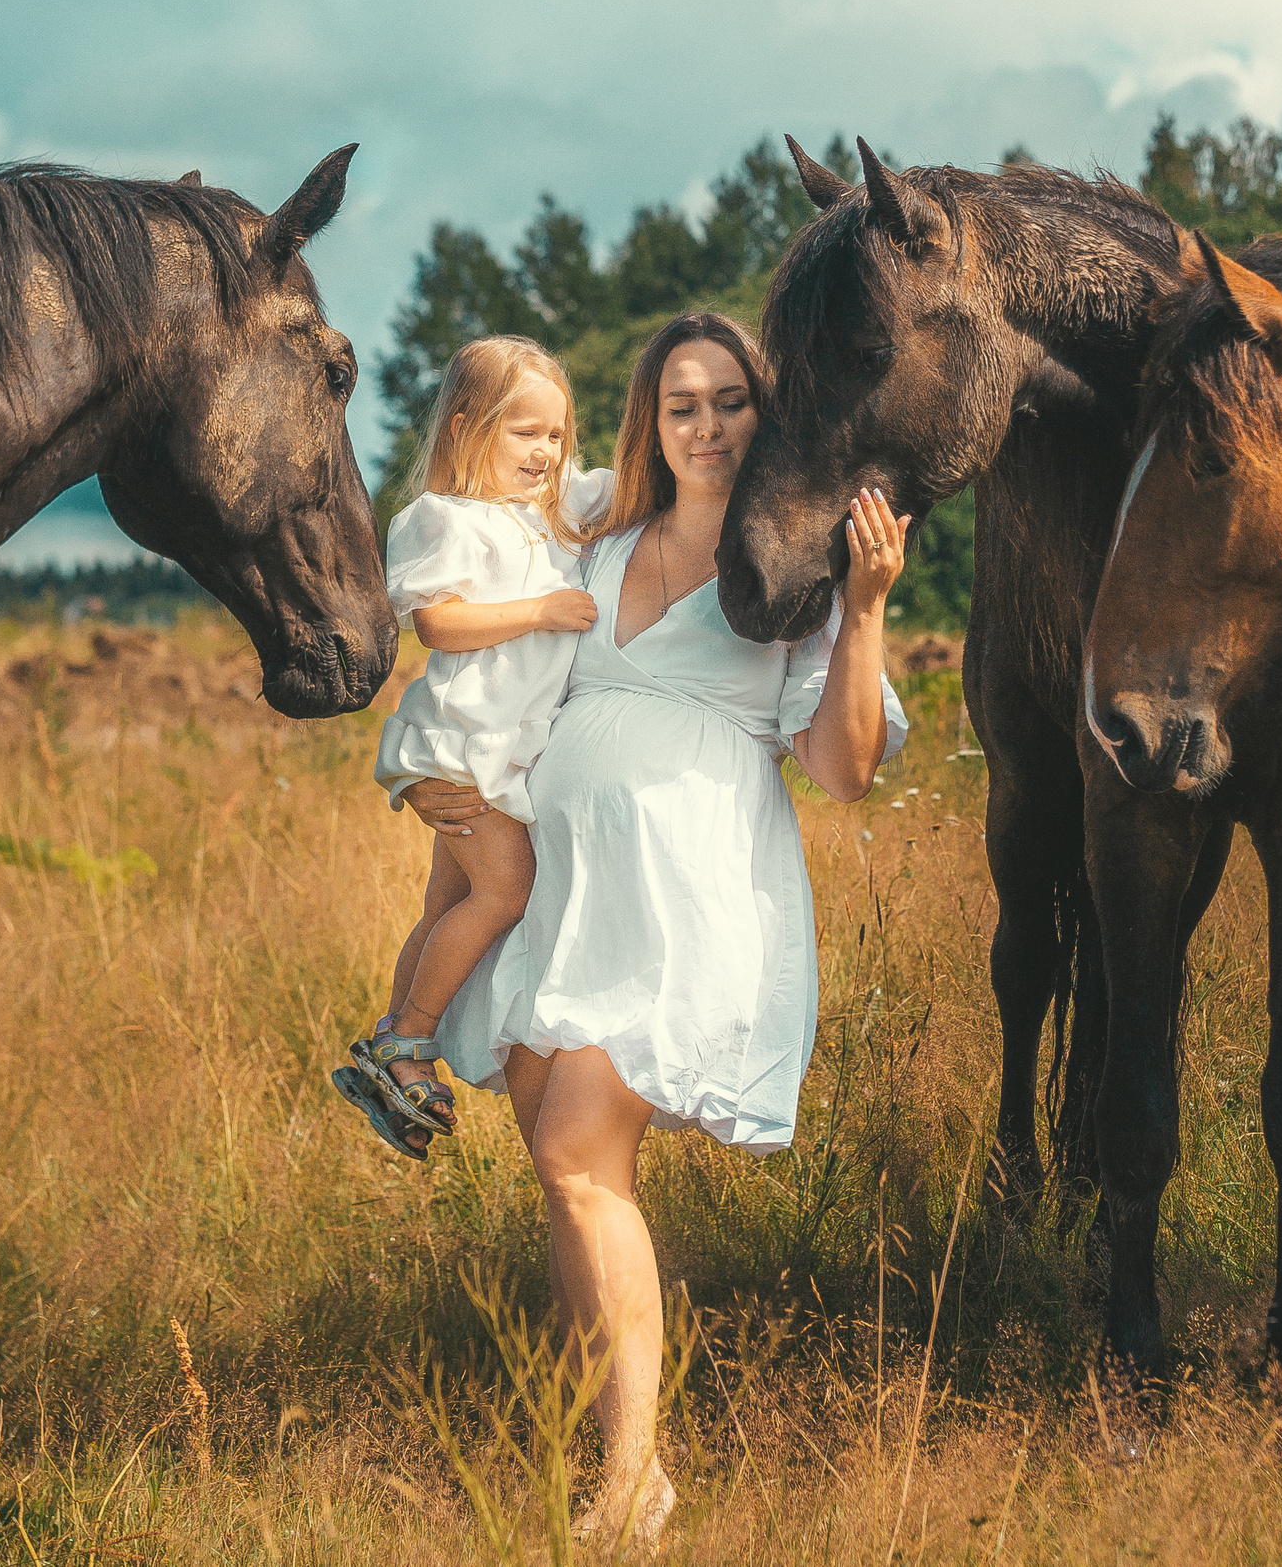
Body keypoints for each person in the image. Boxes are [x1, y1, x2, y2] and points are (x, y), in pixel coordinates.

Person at [407, 310, 907, 1549]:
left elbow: (841, 770)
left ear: (765, 411)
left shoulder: (790, 572)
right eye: (680, 403)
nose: (705, 424)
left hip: (682, 896)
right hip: (554, 895)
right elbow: (492, 675)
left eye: (729, 400)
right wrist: (440, 827)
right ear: (651, 422)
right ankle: (617, 1450)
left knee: (578, 1156)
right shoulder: (595, 535)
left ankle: (632, 1480)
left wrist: (869, 606)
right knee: (571, 1176)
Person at [335, 337, 614, 1160]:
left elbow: (628, 480)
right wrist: (541, 610)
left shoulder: (550, 512)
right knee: (508, 886)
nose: (546, 452)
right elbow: (438, 623)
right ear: (463, 432)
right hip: (467, 745)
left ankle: (394, 1048)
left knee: (444, 906)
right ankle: (408, 1038)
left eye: (558, 436)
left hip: (500, 751)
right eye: (523, 432)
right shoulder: (443, 518)